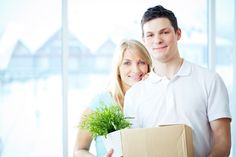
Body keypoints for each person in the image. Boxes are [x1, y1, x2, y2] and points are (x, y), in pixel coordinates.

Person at [123, 5, 232, 157]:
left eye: (165, 32)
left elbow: (223, 142)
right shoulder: (134, 95)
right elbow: (133, 150)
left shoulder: (209, 80)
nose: (157, 40)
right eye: (150, 35)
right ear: (144, 40)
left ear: (178, 33)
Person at [73, 39, 152, 157]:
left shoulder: (154, 100)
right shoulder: (100, 103)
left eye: (141, 62)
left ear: (148, 66)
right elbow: (78, 150)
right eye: (127, 63)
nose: (136, 69)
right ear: (118, 69)